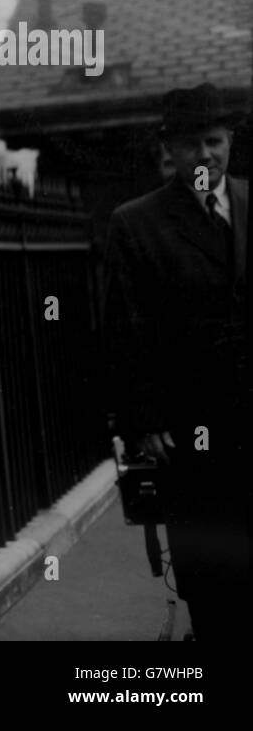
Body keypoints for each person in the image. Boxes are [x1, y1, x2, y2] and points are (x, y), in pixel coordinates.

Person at [103, 82, 249, 642]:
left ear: (228, 140)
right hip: (193, 430)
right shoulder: (137, 223)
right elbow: (124, 328)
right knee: (212, 575)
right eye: (191, 146)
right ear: (171, 151)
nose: (205, 157)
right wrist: (143, 418)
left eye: (214, 142)